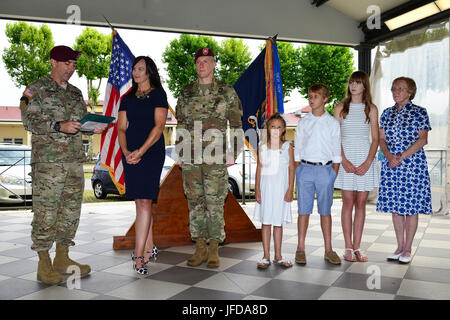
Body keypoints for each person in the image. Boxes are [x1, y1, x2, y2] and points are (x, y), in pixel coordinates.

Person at [20, 45, 106, 285]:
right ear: (53, 62)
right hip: (48, 164)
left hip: (74, 162)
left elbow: (78, 124)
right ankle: (43, 261)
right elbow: (27, 119)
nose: (71, 69)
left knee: (70, 213)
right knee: (46, 213)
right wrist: (59, 125)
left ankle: (63, 257)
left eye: (74, 65)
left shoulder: (77, 93)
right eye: (67, 64)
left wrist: (91, 127)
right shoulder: (34, 89)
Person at [175, 48, 243, 268]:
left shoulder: (226, 91)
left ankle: (214, 247)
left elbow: (236, 123)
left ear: (214, 64)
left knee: (214, 202)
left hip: (217, 157)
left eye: (206, 61)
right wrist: (180, 153)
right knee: (195, 202)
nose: (201, 65)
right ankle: (200, 246)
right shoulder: (186, 92)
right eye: (198, 62)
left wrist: (234, 152)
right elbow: (181, 124)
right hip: (192, 157)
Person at [118, 56, 168, 275]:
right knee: (140, 203)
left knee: (146, 201)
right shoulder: (126, 98)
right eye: (134, 69)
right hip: (130, 154)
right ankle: (148, 248)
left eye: (140, 69)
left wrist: (141, 151)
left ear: (149, 72)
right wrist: (127, 151)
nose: (135, 73)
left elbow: (158, 127)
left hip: (150, 153)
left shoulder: (158, 94)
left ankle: (139, 257)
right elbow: (121, 128)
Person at [377, 77, 432, 264]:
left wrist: (400, 157)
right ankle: (399, 246)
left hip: (412, 166)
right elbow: (381, 139)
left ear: (410, 92)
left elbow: (422, 139)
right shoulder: (386, 113)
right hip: (391, 165)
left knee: (411, 208)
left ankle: (408, 248)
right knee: (396, 208)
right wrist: (389, 156)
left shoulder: (419, 112)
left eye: (401, 88)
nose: (396, 92)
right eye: (394, 88)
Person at [333, 71, 379, 262]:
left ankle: (358, 246)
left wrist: (368, 162)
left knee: (361, 203)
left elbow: (376, 138)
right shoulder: (340, 107)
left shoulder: (372, 109)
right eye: (352, 82)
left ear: (365, 86)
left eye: (358, 83)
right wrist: (343, 160)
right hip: (346, 156)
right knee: (347, 202)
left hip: (365, 157)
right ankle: (348, 248)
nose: (354, 86)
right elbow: (335, 137)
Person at [294, 84, 342, 265]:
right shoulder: (304, 122)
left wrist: (333, 173)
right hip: (305, 170)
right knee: (303, 211)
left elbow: (336, 149)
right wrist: (299, 169)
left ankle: (328, 249)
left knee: (325, 211)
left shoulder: (332, 123)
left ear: (325, 99)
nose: (311, 99)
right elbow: (297, 148)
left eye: (315, 96)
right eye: (310, 96)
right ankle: (300, 248)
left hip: (325, 170)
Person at [254, 112, 295, 269]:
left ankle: (278, 255)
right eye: (273, 127)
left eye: (279, 127)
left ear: (284, 129)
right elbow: (259, 168)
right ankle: (266, 256)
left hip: (280, 190)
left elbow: (291, 169)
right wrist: (257, 189)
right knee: (266, 222)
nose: (276, 130)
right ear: (268, 128)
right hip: (266, 189)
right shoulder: (262, 147)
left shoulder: (287, 147)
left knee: (278, 223)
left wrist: (290, 189)